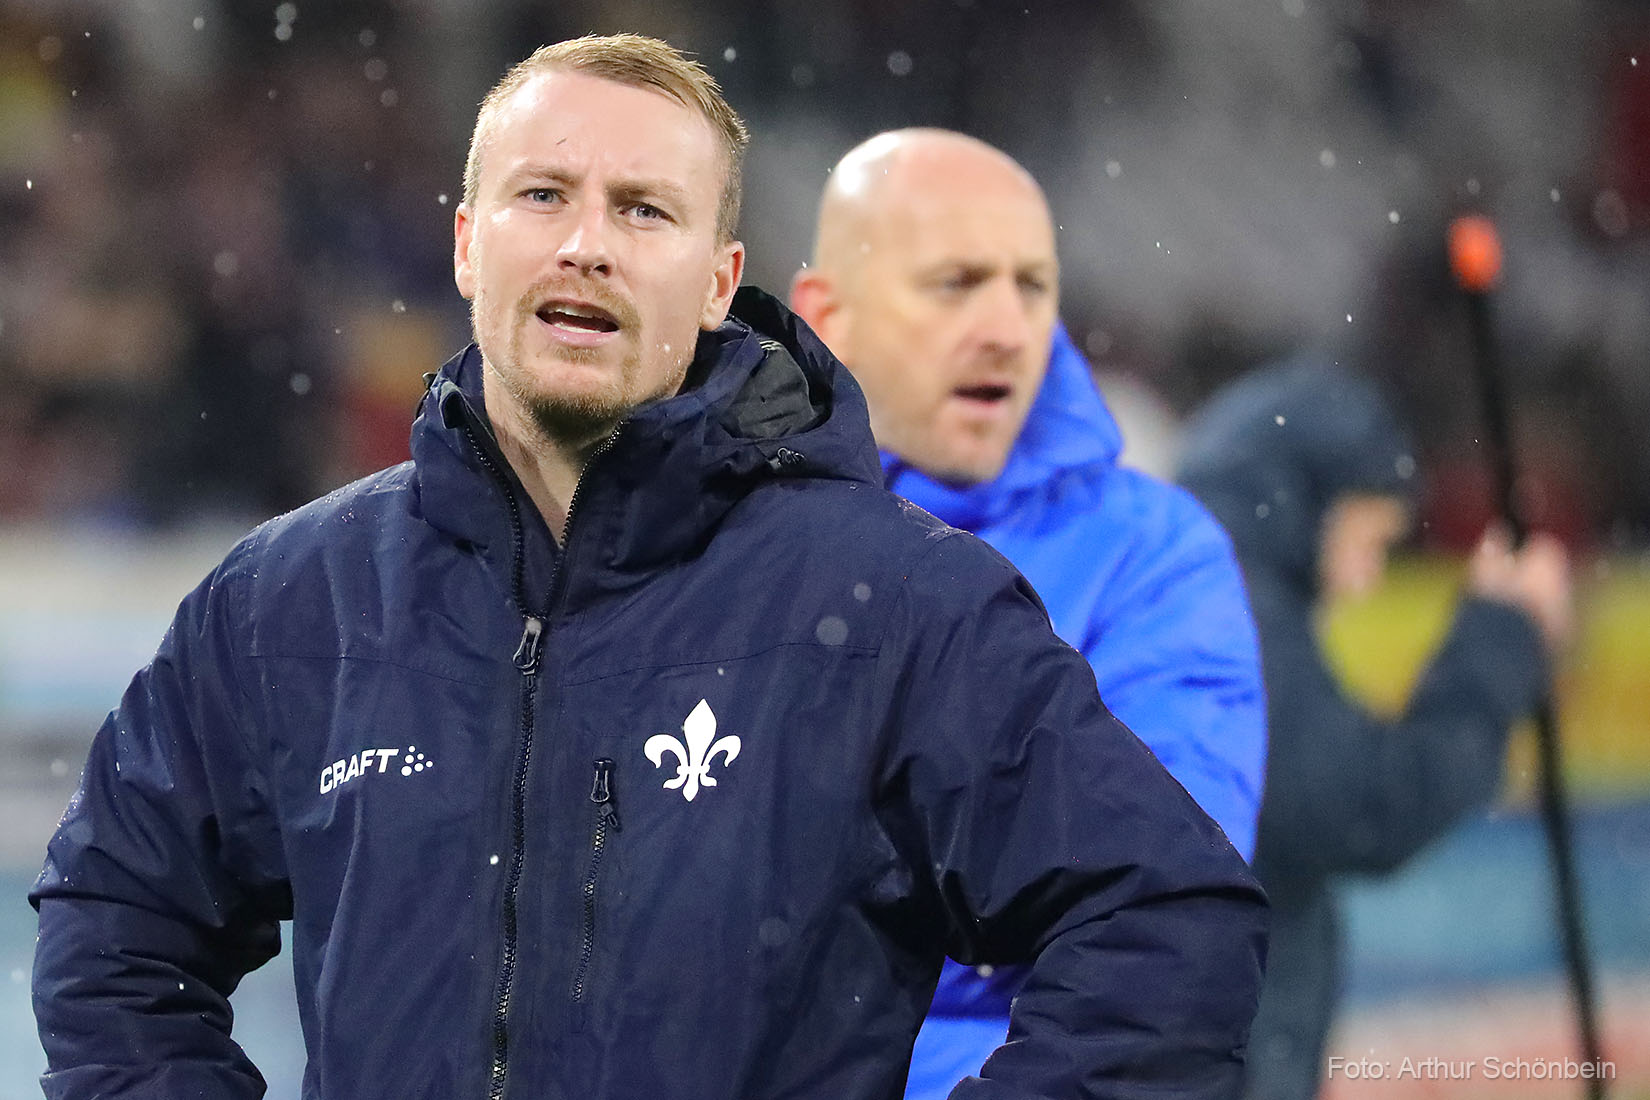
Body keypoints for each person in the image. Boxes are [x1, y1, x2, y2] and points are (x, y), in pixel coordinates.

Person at [30, 34, 1267, 1100]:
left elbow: (1166, 919)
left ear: (720, 283)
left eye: (643, 210)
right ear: (465, 245)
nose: (587, 245)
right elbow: (115, 918)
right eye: (542, 195)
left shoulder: (901, 605)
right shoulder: (291, 600)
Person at [790, 129, 1268, 1099]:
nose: (1010, 328)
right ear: (828, 315)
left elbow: (1149, 923)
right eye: (957, 283)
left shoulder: (1155, 556)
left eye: (1033, 286)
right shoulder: (737, 534)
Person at [1174, 359, 1572, 1100]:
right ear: (1305, 503)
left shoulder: (1192, 580)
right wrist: (1503, 633)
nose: (1364, 582)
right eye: (1368, 541)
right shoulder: (1227, 608)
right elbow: (1359, 806)